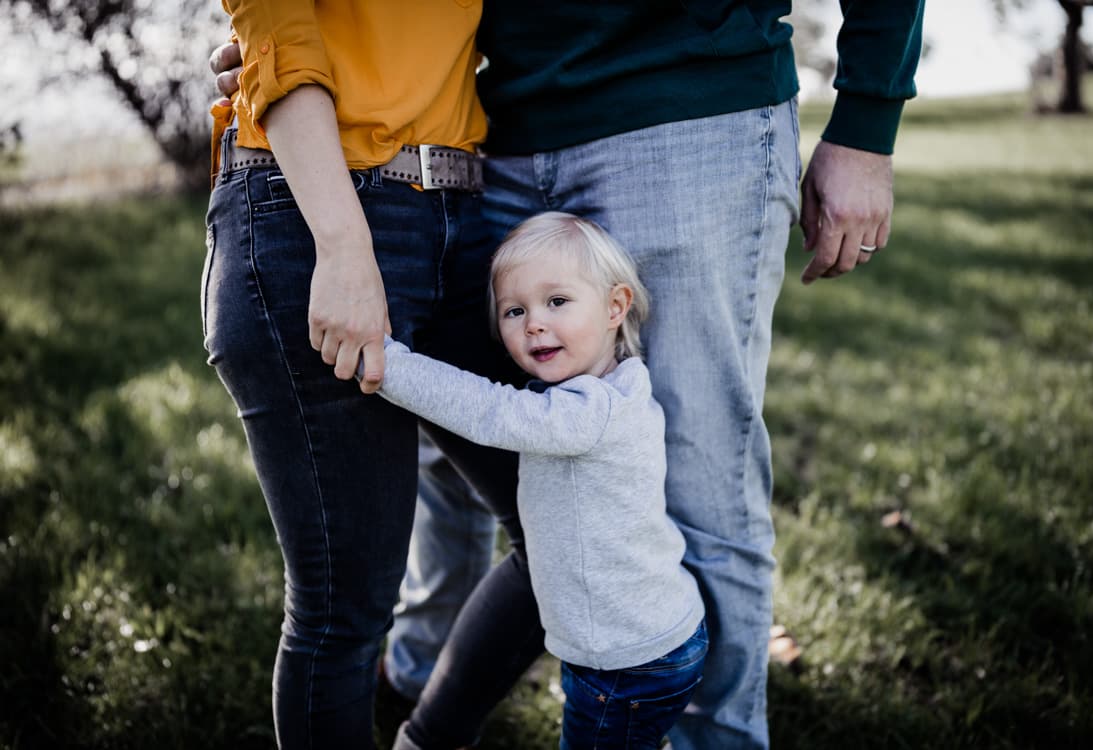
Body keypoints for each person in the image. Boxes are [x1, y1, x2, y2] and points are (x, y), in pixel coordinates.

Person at [212, 2, 927, 748]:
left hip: (615, 137)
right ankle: (421, 687)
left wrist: (868, 121)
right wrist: (282, 70)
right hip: (438, 164)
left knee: (677, 497)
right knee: (391, 559)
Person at [203, 2, 532, 747]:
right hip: (314, 216)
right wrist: (344, 247)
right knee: (342, 608)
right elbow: (279, 31)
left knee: (565, 530)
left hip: (462, 218)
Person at [370, 212, 708, 750]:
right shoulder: (621, 384)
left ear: (615, 307)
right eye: (514, 310)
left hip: (625, 663)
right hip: (654, 638)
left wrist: (388, 367)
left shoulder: (586, 415)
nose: (533, 323)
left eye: (557, 302)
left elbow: (488, 411)